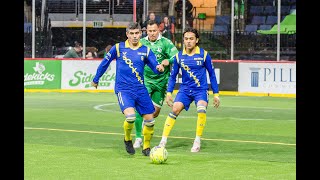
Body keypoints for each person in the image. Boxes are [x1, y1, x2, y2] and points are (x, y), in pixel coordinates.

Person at [91, 22, 165, 156]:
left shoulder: (146, 50)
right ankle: (127, 138)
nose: (135, 36)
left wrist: (159, 69)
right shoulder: (118, 48)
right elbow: (104, 63)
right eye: (132, 33)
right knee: (130, 117)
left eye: (137, 33)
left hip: (141, 90)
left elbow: (155, 66)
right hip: (124, 90)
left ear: (141, 33)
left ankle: (146, 147)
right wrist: (96, 78)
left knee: (150, 120)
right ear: (127, 34)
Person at [158, 27, 220, 152]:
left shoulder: (204, 55)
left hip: (200, 90)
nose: (188, 41)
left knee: (201, 109)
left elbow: (212, 75)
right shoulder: (178, 57)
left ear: (197, 40)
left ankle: (197, 140)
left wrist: (216, 94)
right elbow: (173, 76)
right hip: (185, 90)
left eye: (191, 39)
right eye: (186, 39)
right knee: (175, 109)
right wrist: (169, 93)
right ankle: (163, 141)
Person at [132, 20, 179, 149]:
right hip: (145, 80)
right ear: (146, 31)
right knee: (140, 107)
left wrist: (167, 61)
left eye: (154, 31)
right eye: (150, 31)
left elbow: (177, 57)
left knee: (154, 113)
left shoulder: (165, 43)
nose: (152, 33)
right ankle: (138, 138)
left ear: (159, 30)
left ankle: (144, 130)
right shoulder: (142, 43)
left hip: (161, 82)